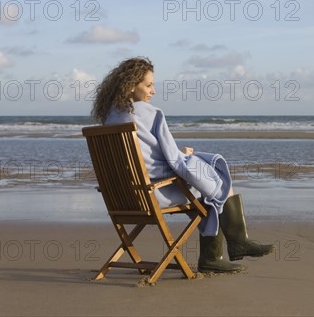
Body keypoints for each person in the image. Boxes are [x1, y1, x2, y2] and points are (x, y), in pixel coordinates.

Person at [91, 57, 274, 273]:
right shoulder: (151, 113)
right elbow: (175, 161)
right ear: (131, 86)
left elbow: (145, 158)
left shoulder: (111, 117)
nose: (153, 91)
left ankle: (231, 247)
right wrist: (188, 156)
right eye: (149, 85)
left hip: (123, 197)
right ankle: (223, 251)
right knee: (215, 182)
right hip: (152, 194)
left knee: (205, 184)